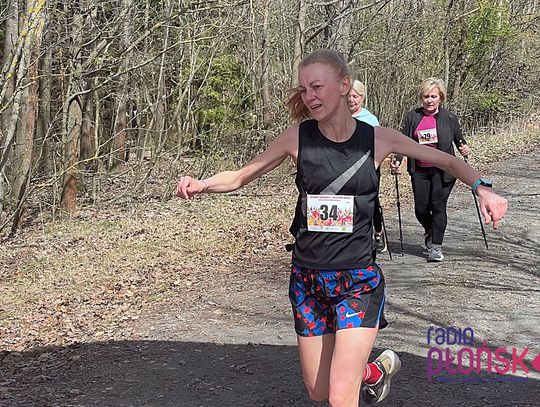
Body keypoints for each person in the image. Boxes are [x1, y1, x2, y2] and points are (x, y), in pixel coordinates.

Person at [177, 50, 507, 406]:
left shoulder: (378, 138)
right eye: (304, 89)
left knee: (339, 396)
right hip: (308, 281)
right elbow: (241, 175)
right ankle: (373, 372)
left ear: (344, 85)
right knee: (318, 391)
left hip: (357, 281)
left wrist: (482, 188)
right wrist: (203, 184)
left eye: (317, 87)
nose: (309, 96)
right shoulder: (296, 138)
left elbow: (447, 161)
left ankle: (355, 377)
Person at [391, 78, 470, 262]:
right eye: (426, 96)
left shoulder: (449, 117)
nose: (429, 100)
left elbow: (459, 140)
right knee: (421, 209)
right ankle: (430, 230)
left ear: (440, 98)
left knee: (438, 205)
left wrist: (464, 148)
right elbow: (402, 142)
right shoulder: (412, 116)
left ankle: (436, 247)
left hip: (443, 170)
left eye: (433, 96)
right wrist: (397, 160)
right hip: (420, 169)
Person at [348, 80, 386, 253]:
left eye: (355, 96)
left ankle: (378, 232)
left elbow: (380, 144)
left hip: (369, 166)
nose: (351, 100)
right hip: (346, 169)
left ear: (362, 98)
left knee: (370, 201)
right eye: (348, 96)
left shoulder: (370, 119)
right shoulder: (338, 118)